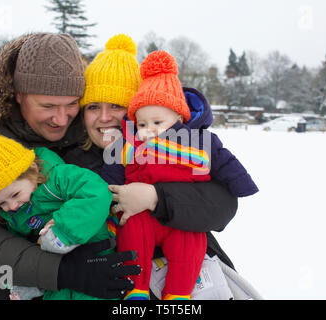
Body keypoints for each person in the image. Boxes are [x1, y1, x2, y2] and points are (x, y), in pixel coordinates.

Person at [0, 33, 140, 300]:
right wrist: (59, 271)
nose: (61, 119)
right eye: (48, 106)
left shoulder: (88, 128)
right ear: (18, 96)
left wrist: (157, 198)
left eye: (72, 104)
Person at [63, 34, 243, 299]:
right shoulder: (70, 162)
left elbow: (223, 206)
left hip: (185, 278)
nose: (105, 117)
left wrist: (156, 197)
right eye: (93, 107)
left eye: (117, 105)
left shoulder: (183, 145)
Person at [101, 50, 259, 300]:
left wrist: (241, 183)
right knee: (133, 231)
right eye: (142, 124)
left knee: (191, 242)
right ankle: (136, 288)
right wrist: (107, 195)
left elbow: (224, 161)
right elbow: (109, 176)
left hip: (183, 220)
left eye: (157, 122)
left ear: (178, 117)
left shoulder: (197, 142)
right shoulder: (128, 145)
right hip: (141, 218)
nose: (148, 130)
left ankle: (178, 293)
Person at [0, 116, 118, 300]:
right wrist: (26, 284)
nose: (10, 206)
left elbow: (96, 192)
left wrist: (63, 232)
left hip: (96, 259)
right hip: (58, 282)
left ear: (33, 170)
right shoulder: (14, 216)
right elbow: (24, 253)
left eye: (15, 195)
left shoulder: (57, 179)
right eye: (1, 203)